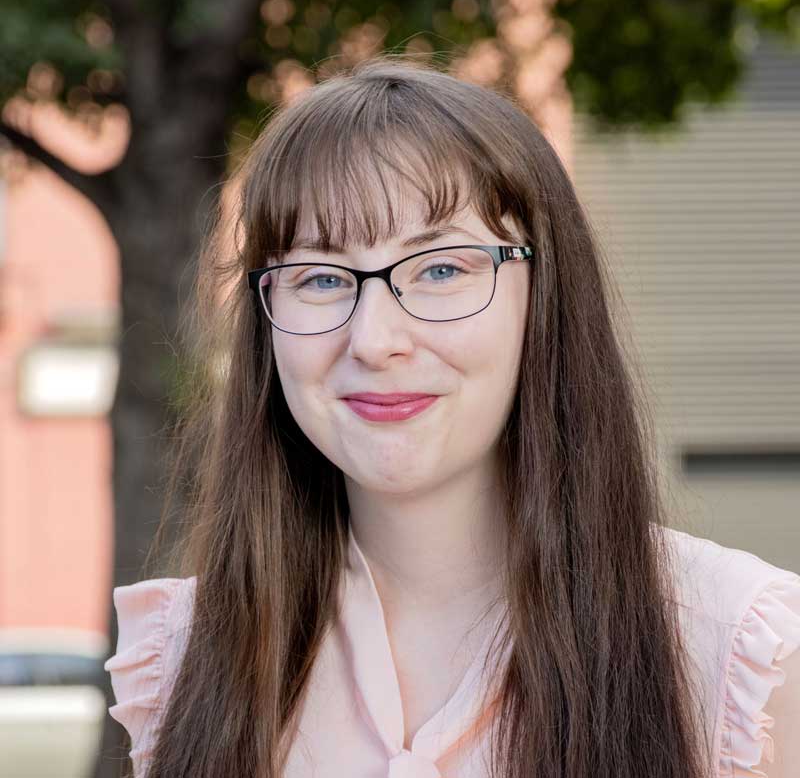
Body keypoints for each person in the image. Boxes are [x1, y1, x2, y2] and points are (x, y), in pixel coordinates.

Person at [103, 55, 800, 778]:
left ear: (546, 298)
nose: (374, 340)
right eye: (319, 276)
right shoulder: (185, 658)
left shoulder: (738, 655)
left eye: (441, 268)